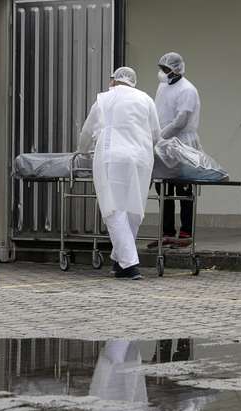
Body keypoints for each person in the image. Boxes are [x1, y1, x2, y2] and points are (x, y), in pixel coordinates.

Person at [78, 67, 161, 279]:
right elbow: (156, 134)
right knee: (134, 209)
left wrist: (82, 151)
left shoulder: (104, 100)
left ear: (113, 80)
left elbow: (87, 132)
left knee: (113, 209)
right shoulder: (146, 99)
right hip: (140, 159)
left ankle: (130, 265)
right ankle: (119, 262)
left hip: (111, 158)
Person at [155, 52, 201, 241]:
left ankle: (186, 231)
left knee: (183, 187)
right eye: (161, 68)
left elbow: (180, 121)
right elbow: (158, 111)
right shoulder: (163, 86)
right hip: (163, 143)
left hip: (182, 142)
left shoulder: (187, 90)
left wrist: (160, 136)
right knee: (163, 187)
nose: (162, 72)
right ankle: (167, 231)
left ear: (176, 69)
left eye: (165, 69)